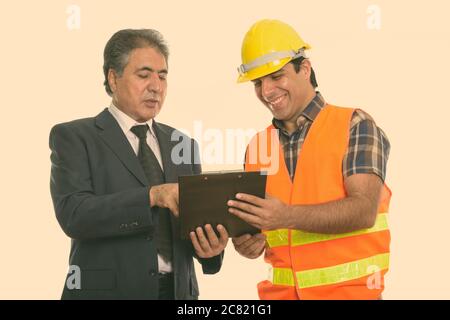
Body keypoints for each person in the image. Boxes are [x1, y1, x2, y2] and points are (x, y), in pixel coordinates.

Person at [49, 29, 228, 300]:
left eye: (163, 75)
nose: (156, 86)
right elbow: (75, 215)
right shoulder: (74, 136)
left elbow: (195, 226)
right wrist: (152, 196)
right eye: (144, 75)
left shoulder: (184, 144)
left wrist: (211, 250)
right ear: (113, 78)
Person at [228, 19, 391, 300]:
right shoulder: (256, 147)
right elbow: (260, 235)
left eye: (276, 77)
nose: (266, 92)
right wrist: (246, 243)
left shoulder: (355, 125)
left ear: (304, 68)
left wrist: (286, 216)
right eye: (258, 82)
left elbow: (364, 209)